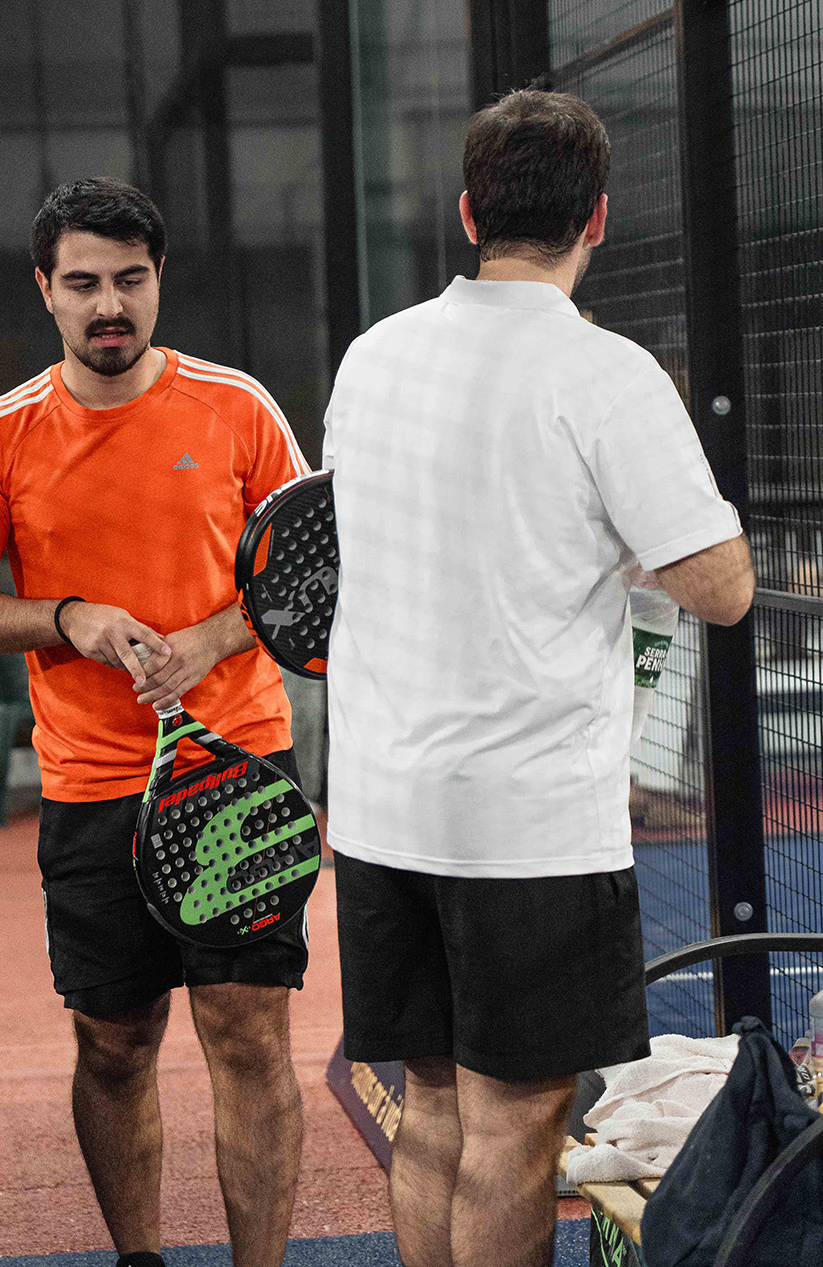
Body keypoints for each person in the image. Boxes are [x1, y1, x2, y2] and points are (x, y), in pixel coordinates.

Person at [322, 90, 755, 1267]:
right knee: (517, 1129)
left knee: (430, 1110)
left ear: (469, 214)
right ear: (596, 220)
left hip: (382, 811)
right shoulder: (606, 374)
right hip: (528, 827)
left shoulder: (374, 358)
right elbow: (720, 588)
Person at [0, 177, 311, 1267]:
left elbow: (316, 567)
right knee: (115, 1044)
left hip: (234, 774)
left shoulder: (238, 407)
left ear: (159, 280)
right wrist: (66, 617)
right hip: (91, 789)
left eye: (130, 280)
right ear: (44, 289)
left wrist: (215, 639)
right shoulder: (2, 435)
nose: (109, 305)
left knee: (246, 1033)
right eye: (83, 282)